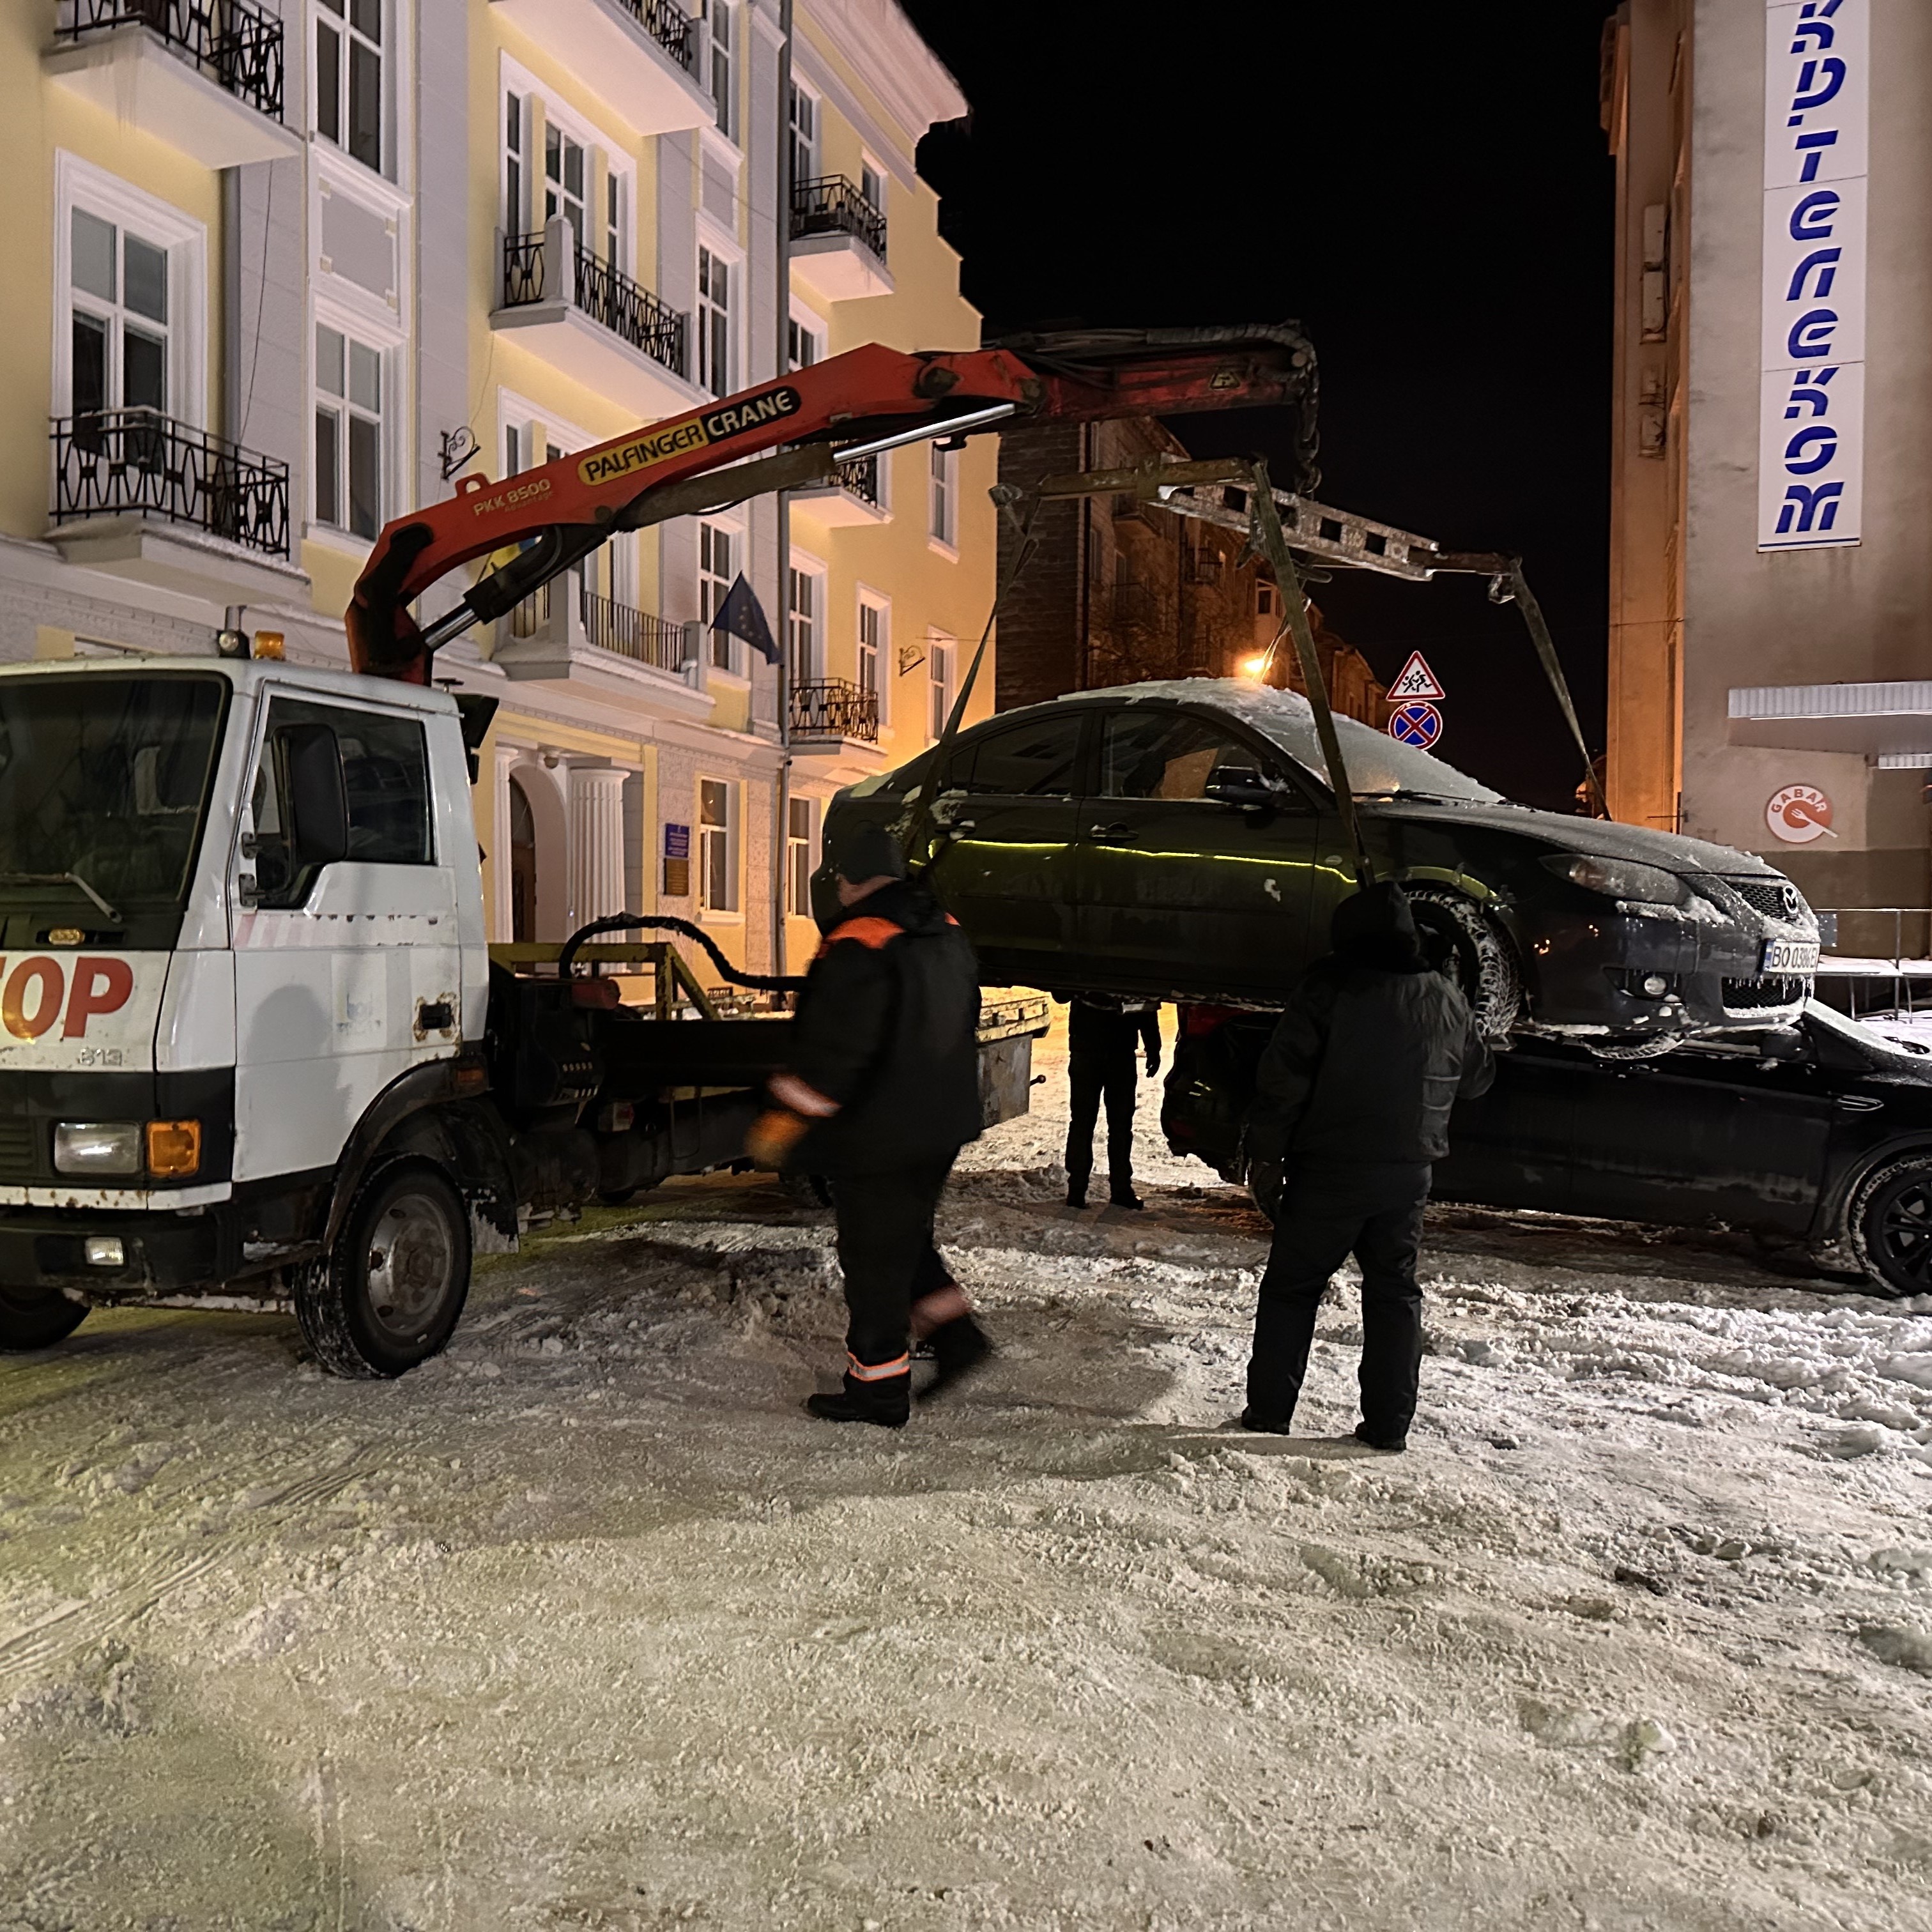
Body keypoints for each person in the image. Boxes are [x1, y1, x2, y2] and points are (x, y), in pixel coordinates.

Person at [746, 823, 990, 1427]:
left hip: (882, 1132)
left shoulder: (859, 939)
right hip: (942, 1122)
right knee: (904, 1238)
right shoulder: (945, 927)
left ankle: (877, 1391)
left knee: (873, 1260)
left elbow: (835, 1050)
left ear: (848, 879)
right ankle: (956, 1335)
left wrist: (788, 1118)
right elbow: (968, 1014)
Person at [1241, 881, 1493, 1452]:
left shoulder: (1329, 987)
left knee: (1292, 1290)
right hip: (1409, 1173)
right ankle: (1388, 1427)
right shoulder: (1444, 995)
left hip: (1330, 1169)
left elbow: (1283, 1080)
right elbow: (1477, 1079)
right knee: (1394, 1294)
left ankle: (1269, 1414)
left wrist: (1266, 1153)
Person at [1064, 995, 1162, 1210]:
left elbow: (1060, 994)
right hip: (1119, 1051)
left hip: (1087, 1049)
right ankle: (1120, 1190)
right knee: (1119, 1126)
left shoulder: (1085, 973)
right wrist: (1153, 1046)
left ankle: (1077, 1191)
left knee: (1083, 1123)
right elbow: (1146, 1003)